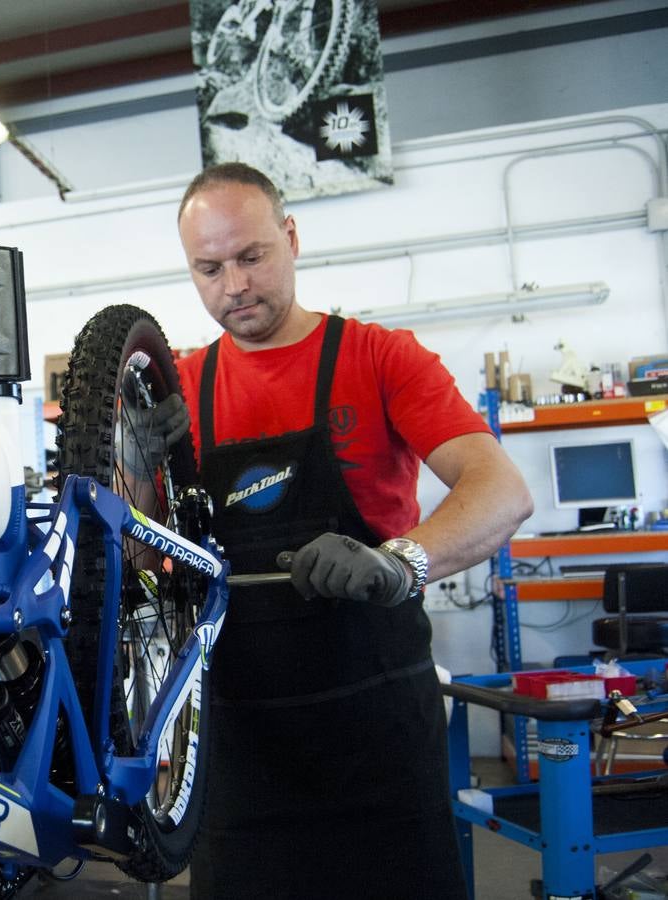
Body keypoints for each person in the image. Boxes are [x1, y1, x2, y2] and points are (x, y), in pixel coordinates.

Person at [168, 163, 533, 899]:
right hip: (242, 738)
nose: (232, 285)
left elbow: (502, 491)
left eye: (250, 256)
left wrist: (398, 561)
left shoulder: (379, 359)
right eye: (208, 268)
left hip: (374, 727)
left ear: (291, 238)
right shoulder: (179, 389)